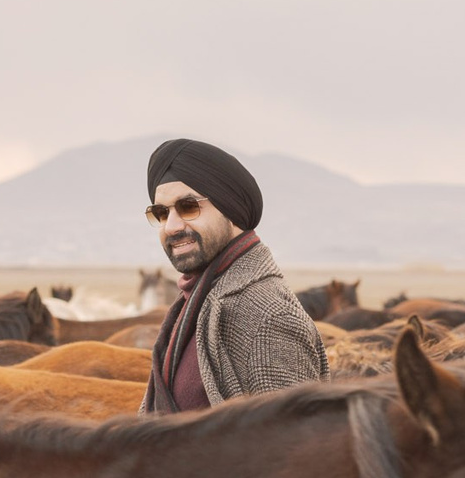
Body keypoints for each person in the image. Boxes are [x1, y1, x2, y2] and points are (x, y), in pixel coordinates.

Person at [139, 139, 327, 413]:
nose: (172, 226)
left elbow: (290, 447)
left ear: (230, 207)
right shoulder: (200, 299)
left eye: (189, 207)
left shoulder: (268, 317)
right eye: (161, 212)